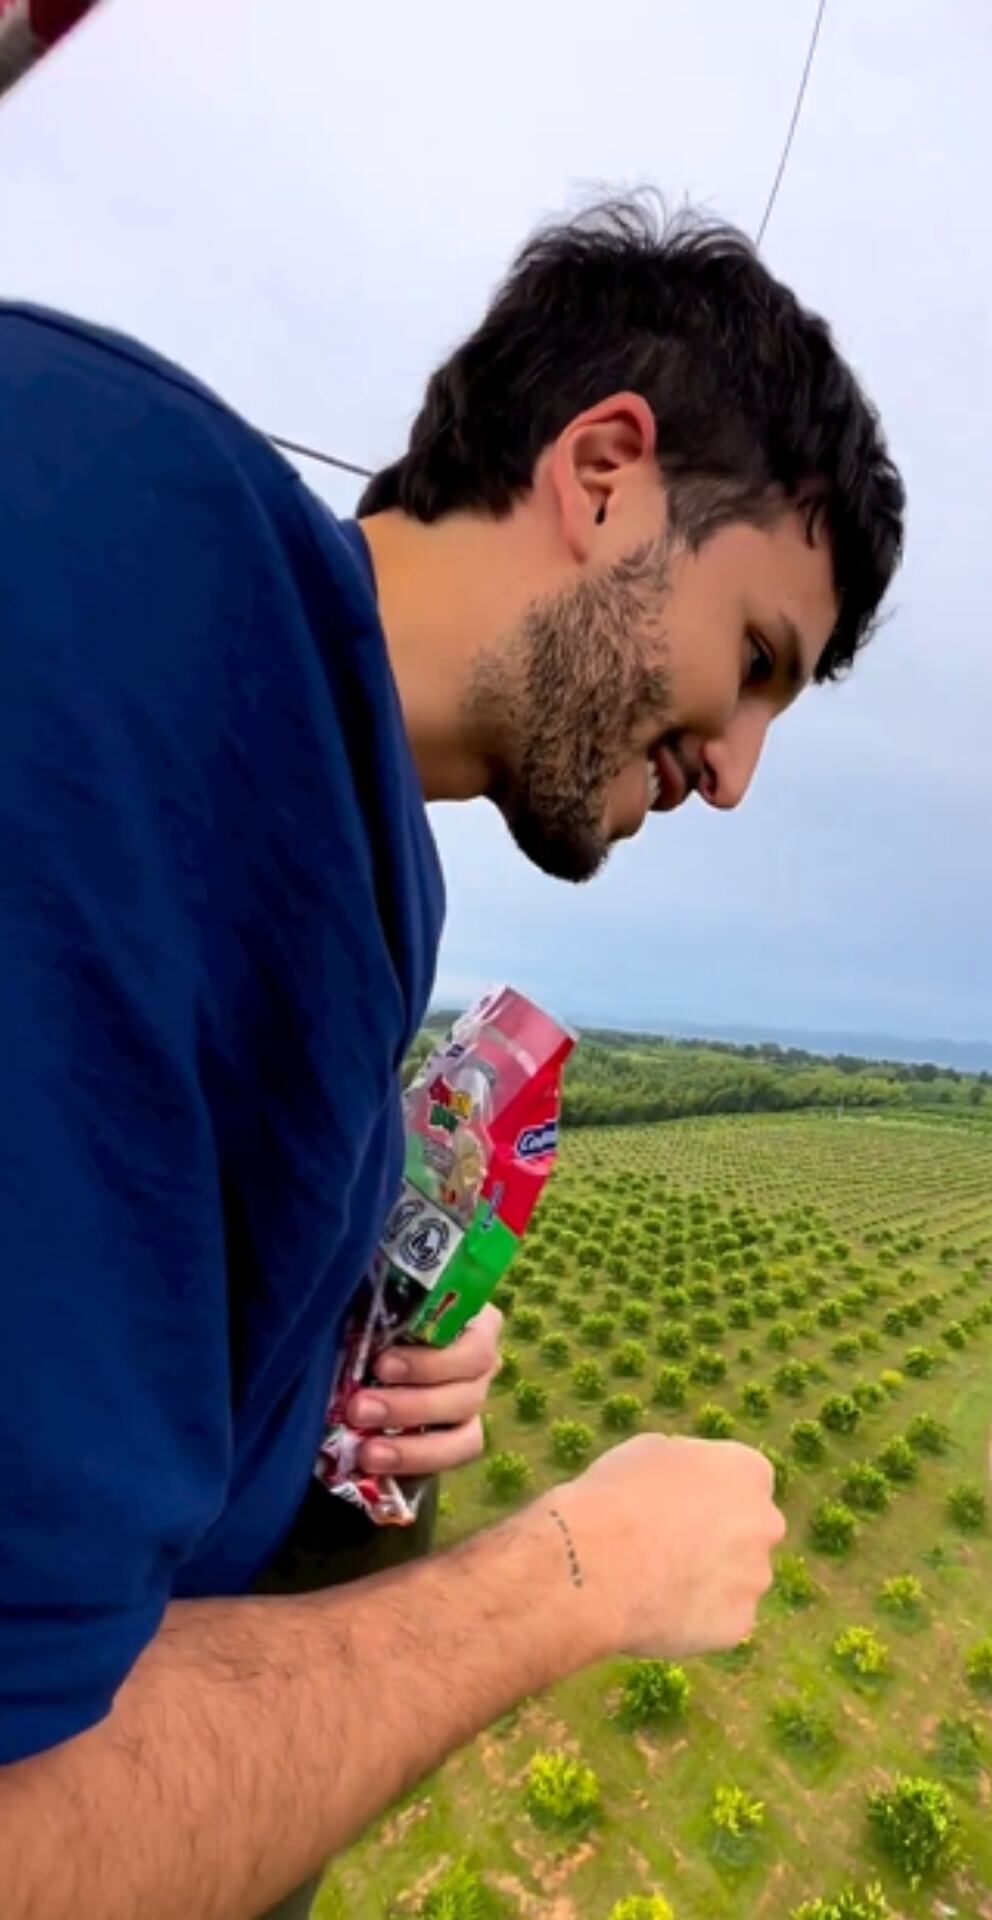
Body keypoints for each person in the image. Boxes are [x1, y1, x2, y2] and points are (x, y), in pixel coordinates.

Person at [0, 199, 904, 1920]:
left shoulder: (353, 837)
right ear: (606, 474)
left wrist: (331, 1417)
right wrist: (573, 1576)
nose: (735, 773)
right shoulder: (118, 625)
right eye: (757, 662)